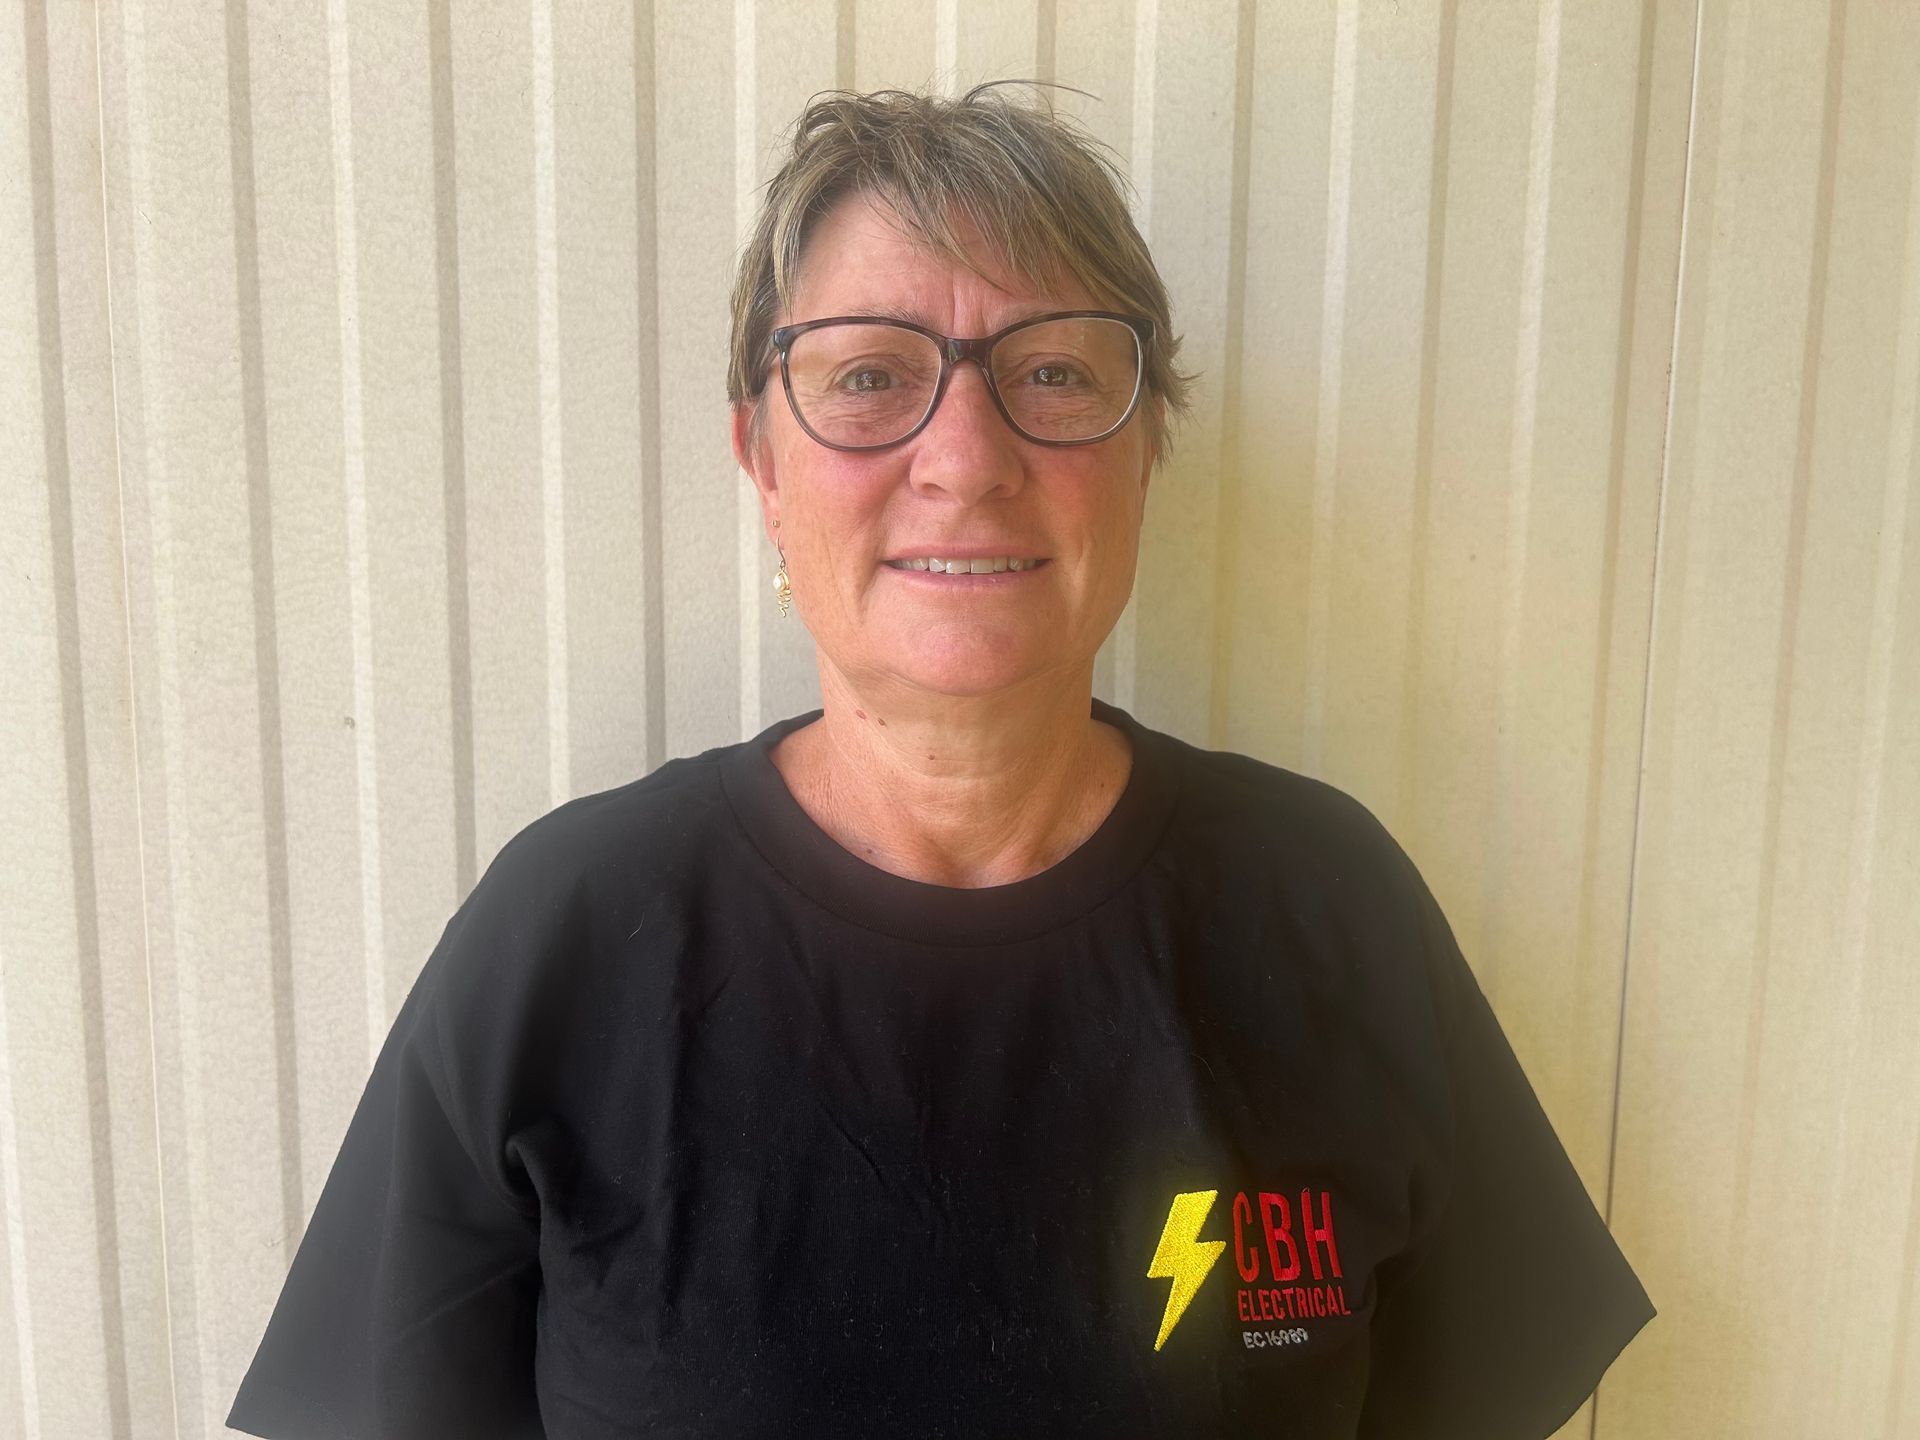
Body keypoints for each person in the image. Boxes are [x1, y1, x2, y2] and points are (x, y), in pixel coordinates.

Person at [227, 82, 1654, 1438]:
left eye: (1051, 371)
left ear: (1147, 447)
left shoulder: (1327, 904)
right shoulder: (573, 929)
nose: (965, 456)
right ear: (763, 464)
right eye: (867, 376)